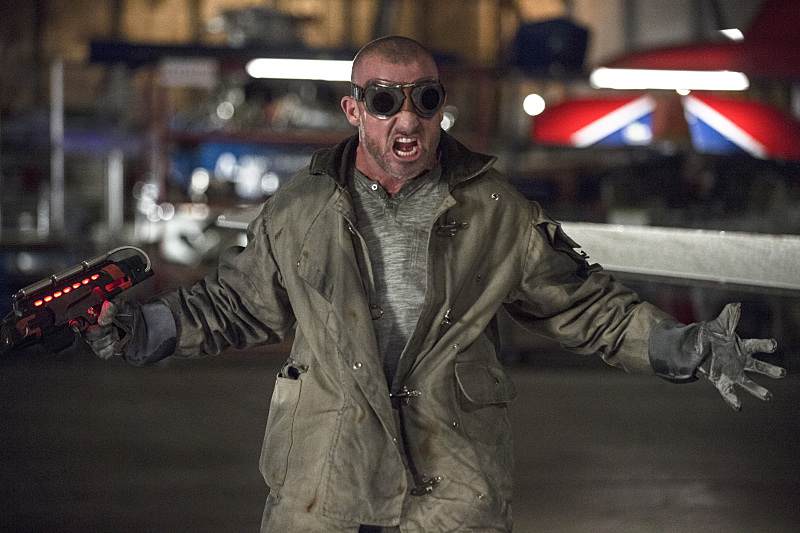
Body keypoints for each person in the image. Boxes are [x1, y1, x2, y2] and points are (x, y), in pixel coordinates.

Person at [85, 36, 785, 532]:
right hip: (325, 484)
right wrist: (145, 328)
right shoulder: (300, 209)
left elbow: (586, 306)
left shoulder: (494, 210)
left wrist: (681, 345)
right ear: (353, 110)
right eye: (384, 100)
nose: (407, 117)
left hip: (450, 486)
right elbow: (236, 304)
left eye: (423, 99)